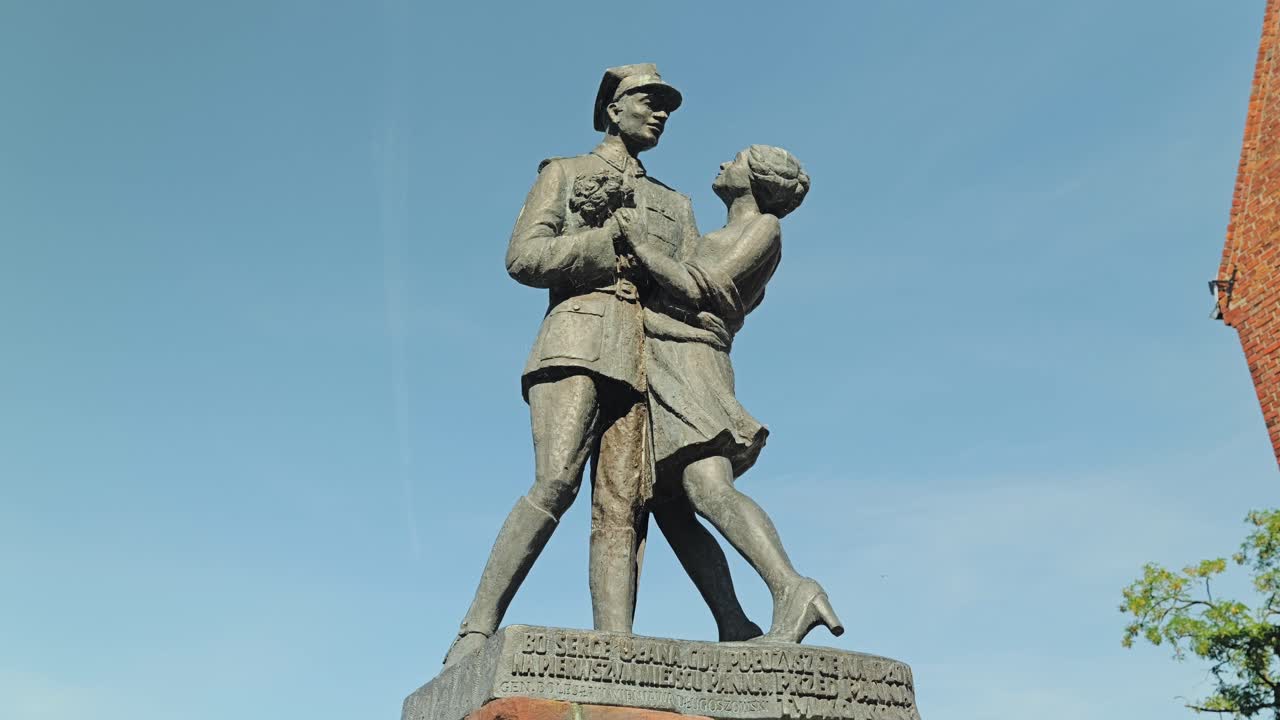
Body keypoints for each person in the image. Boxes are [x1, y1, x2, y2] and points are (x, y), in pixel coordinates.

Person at [442, 64, 699, 667]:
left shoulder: (675, 204)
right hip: (576, 340)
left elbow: (690, 287)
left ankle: (617, 648)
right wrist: (605, 243)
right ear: (613, 109)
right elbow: (524, 258)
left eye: (666, 105)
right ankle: (477, 627)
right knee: (554, 481)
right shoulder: (565, 173)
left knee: (623, 503)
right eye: (647, 101)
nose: (659, 113)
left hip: (645, 355)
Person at [620, 145, 844, 643]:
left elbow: (702, 289)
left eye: (737, 158)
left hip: (693, 360)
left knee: (707, 486)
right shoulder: (711, 233)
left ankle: (793, 587)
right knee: (669, 504)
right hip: (663, 358)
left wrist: (642, 247)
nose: (723, 162)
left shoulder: (763, 229)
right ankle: (734, 622)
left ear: (757, 178)